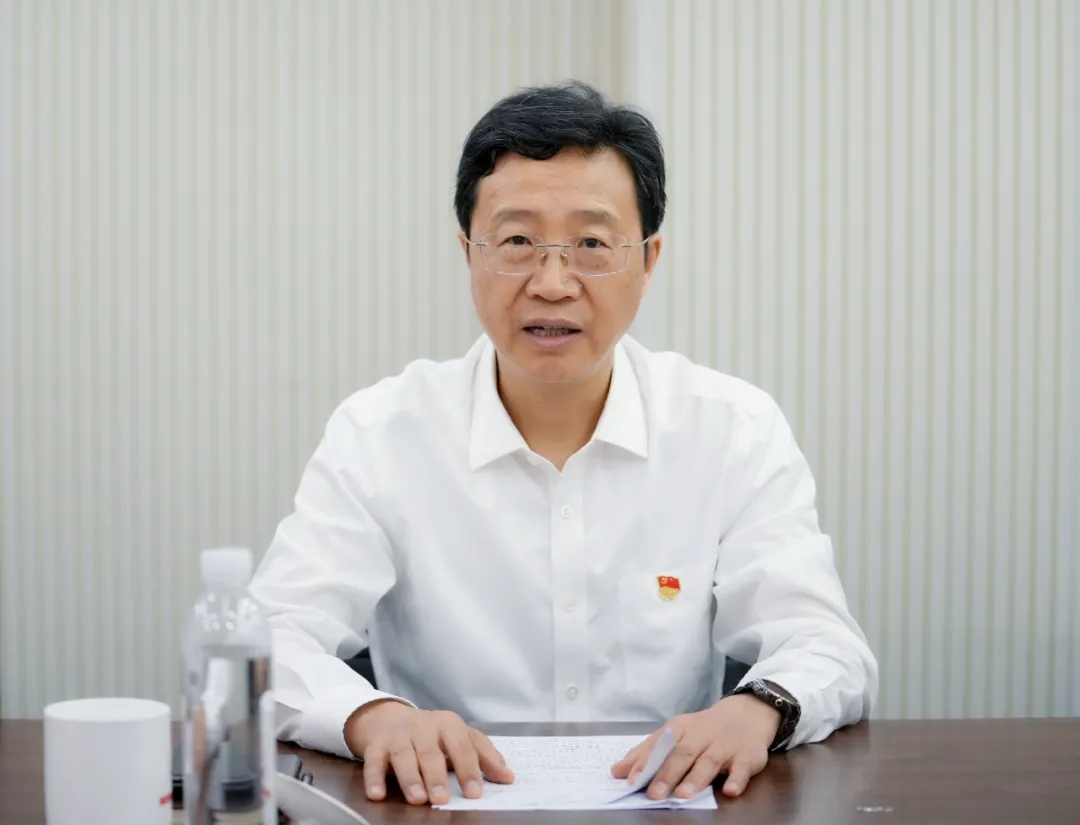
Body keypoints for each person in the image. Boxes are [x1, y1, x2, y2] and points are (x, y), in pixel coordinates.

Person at [249, 80, 878, 807]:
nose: (552, 283)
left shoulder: (732, 429)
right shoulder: (380, 434)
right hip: (447, 807)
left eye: (592, 245)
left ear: (648, 261)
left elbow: (825, 645)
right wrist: (372, 716)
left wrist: (757, 708)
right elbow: (269, 639)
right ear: (468, 253)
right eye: (517, 242)